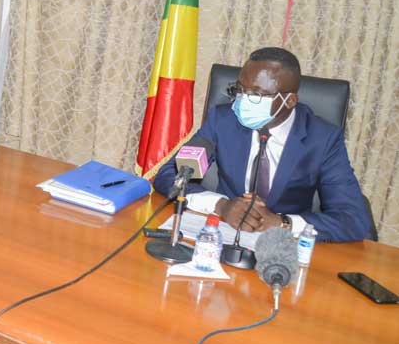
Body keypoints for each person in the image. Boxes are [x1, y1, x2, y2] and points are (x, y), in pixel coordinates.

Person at [153, 47, 372, 243]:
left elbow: (353, 219)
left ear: (290, 101)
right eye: (240, 89)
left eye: (256, 94)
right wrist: (222, 206)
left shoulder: (323, 139)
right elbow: (169, 175)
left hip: (284, 248)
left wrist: (281, 223)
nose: (243, 99)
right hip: (223, 236)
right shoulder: (223, 120)